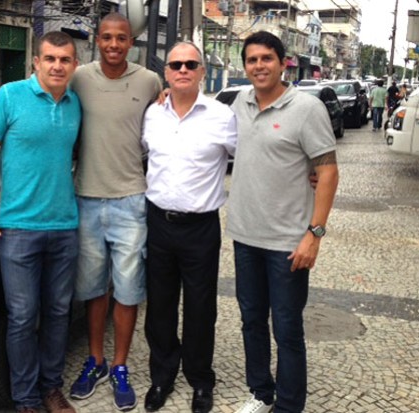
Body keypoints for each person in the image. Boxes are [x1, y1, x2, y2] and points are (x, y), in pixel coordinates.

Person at [227, 31, 339, 413]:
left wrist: (315, 234)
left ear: (282, 62)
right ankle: (260, 392)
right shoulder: (240, 101)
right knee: (251, 320)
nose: (259, 66)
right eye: (252, 60)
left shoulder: (306, 109)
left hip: (288, 242)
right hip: (245, 235)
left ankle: (289, 406)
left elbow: (327, 172)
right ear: (245, 66)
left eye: (266, 59)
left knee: (287, 329)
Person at [0, 31, 81, 413]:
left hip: (65, 226)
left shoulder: (75, 103)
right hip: (17, 228)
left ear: (74, 65)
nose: (56, 65)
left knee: (57, 313)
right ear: (35, 62)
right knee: (22, 317)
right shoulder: (10, 96)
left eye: (64, 59)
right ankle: (26, 400)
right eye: (49, 58)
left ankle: (51, 388)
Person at [68, 12, 162, 412]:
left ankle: (120, 366)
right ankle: (96, 361)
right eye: (106, 37)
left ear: (131, 41)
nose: (113, 44)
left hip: (131, 201)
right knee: (93, 290)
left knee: (127, 291)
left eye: (120, 38)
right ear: (96, 39)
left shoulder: (149, 81)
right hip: (85, 199)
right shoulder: (78, 78)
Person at [141, 41, 237, 413]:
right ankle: (162, 376)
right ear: (166, 73)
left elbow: (255, 157)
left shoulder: (221, 116)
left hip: (201, 228)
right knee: (160, 306)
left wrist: (307, 172)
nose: (183, 70)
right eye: (176, 64)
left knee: (200, 307)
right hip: (158, 223)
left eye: (190, 64)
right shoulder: (152, 115)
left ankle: (200, 379)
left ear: (201, 72)